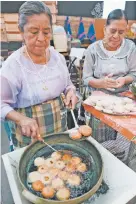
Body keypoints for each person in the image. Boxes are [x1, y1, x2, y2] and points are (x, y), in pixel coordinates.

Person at [0, 1, 77, 150]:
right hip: (29, 140)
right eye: (34, 32)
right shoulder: (13, 67)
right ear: (21, 31)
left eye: (46, 32)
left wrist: (71, 92)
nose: (41, 38)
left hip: (59, 132)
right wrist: (21, 119)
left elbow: (68, 85)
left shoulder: (57, 58)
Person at [83, 9, 136, 143]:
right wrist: (100, 83)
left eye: (121, 32)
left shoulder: (130, 48)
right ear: (105, 28)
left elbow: (134, 73)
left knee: (123, 141)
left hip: (124, 104)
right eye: (112, 31)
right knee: (99, 142)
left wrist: (124, 79)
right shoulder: (93, 49)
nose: (116, 36)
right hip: (99, 104)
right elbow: (86, 79)